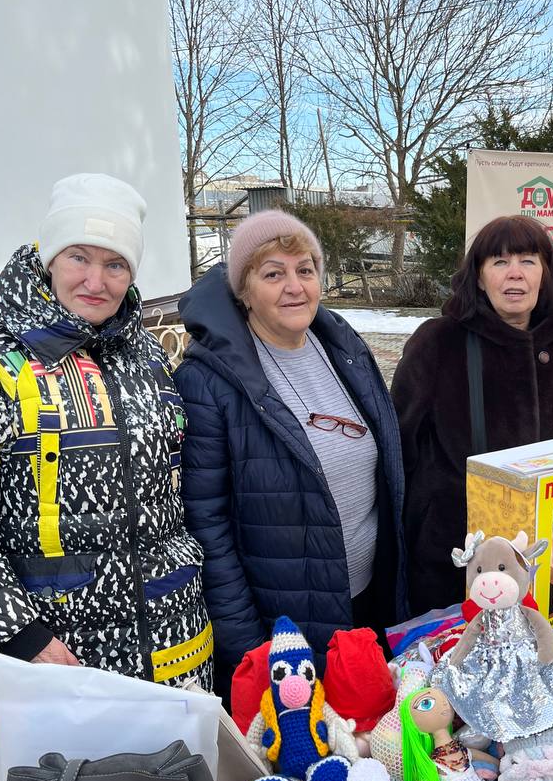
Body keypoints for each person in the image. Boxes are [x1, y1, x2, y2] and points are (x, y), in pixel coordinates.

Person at [0, 174, 213, 684]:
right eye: (79, 257)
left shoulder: (149, 357)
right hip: (61, 665)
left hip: (179, 650)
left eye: (115, 264)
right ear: (49, 259)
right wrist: (22, 639)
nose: (96, 281)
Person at [174, 210, 408, 695]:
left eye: (305, 269)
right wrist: (253, 653)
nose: (294, 287)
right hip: (284, 632)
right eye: (273, 274)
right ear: (244, 290)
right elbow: (207, 528)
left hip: (368, 605)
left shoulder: (344, 349)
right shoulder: (209, 381)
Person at [392, 215, 553, 614]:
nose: (514, 273)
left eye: (528, 261)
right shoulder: (438, 343)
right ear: (479, 277)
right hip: (455, 563)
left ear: (546, 274)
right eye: (499, 262)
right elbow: (400, 447)